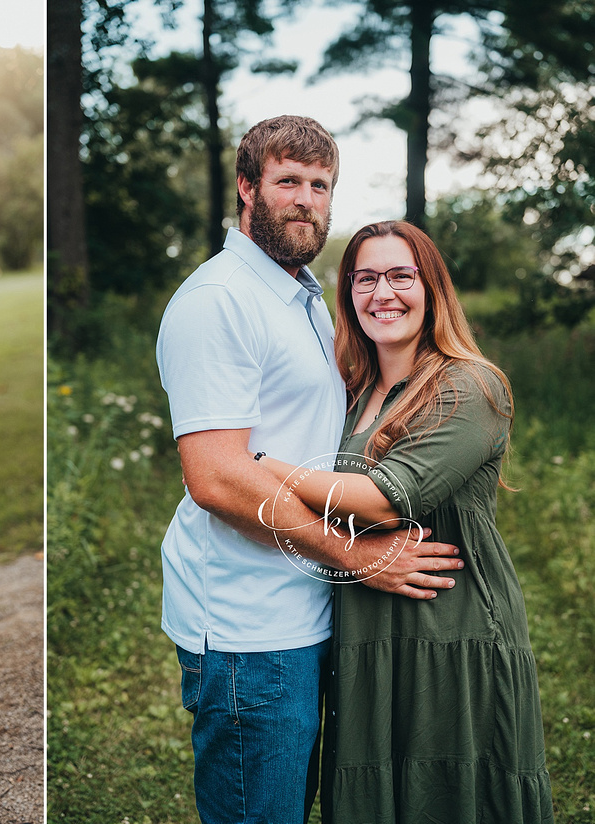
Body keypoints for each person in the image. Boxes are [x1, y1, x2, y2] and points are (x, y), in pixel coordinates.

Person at [155, 115, 465, 824]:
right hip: (249, 628)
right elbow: (216, 478)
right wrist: (360, 558)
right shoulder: (218, 302)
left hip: (302, 610)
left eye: (320, 185)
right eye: (287, 180)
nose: (305, 199)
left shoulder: (298, 296)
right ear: (246, 188)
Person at [255, 220, 554, 823]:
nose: (382, 293)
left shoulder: (470, 386)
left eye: (400, 276)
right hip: (365, 627)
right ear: (348, 297)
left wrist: (254, 466)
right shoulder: (349, 390)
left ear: (432, 289)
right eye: (365, 279)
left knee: (448, 795)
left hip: (451, 626)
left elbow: (387, 498)